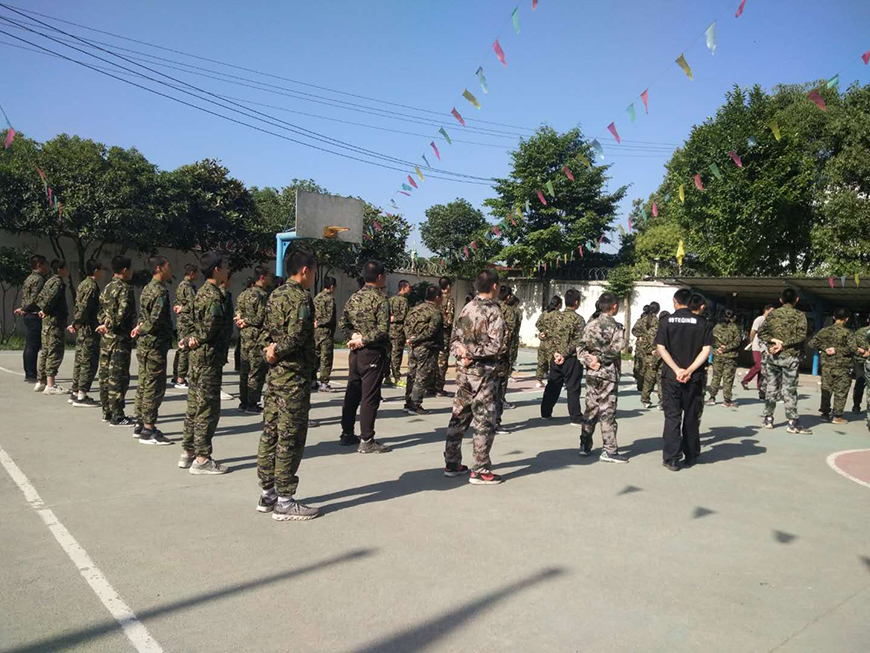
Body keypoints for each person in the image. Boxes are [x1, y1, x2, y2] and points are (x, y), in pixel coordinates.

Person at [256, 249, 320, 521]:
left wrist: (267, 352)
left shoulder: (274, 295)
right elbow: (297, 337)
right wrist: (277, 351)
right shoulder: (301, 298)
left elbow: (262, 333)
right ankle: (284, 499)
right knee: (290, 436)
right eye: (313, 271)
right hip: (293, 377)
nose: (313, 277)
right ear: (304, 270)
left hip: (274, 377)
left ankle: (267, 492)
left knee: (270, 432)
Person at [443, 269, 506, 484]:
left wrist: (462, 354)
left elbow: (453, 341)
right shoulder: (493, 311)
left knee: (459, 415)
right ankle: (479, 469)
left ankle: (451, 462)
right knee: (484, 420)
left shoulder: (466, 307)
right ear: (495, 286)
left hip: (464, 372)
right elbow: (496, 346)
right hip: (483, 375)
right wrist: (472, 354)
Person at [179, 251, 233, 474]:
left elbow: (187, 320)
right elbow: (210, 328)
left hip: (199, 357)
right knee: (207, 408)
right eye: (225, 266)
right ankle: (202, 458)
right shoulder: (212, 296)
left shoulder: (200, 292)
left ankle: (188, 451)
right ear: (217, 269)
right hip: (208, 357)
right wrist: (196, 338)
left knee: (194, 405)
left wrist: (188, 338)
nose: (228, 270)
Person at [655, 290, 714, 471]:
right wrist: (688, 370)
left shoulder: (665, 321)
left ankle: (672, 458)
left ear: (675, 301)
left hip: (671, 377)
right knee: (691, 416)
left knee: (672, 417)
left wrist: (676, 369)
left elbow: (661, 348)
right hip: (693, 378)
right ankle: (691, 455)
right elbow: (706, 350)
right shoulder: (703, 323)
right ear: (690, 302)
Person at [338, 260, 392, 452]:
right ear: (379, 277)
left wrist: (354, 336)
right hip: (372, 353)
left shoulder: (353, 298)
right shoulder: (381, 300)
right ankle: (367, 440)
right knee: (369, 397)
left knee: (352, 392)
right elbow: (383, 330)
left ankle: (346, 433)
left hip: (355, 353)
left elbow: (343, 323)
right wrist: (363, 340)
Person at [578, 292, 627, 463]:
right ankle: (609, 450)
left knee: (591, 408)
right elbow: (616, 349)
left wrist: (588, 361)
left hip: (592, 373)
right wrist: (600, 359)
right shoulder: (617, 328)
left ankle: (584, 445)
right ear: (614, 307)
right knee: (607, 411)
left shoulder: (590, 325)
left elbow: (580, 348)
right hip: (608, 374)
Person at [132, 255, 174, 445]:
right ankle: (149, 429)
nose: (170, 269)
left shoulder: (147, 288)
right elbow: (155, 320)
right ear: (159, 268)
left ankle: (140, 423)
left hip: (145, 344)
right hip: (154, 344)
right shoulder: (160, 291)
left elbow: (143, 316)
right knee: (154, 386)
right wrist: (142, 328)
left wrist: (140, 328)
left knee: (144, 382)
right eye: (168, 266)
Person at [759, 288, 812, 434]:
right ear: (797, 300)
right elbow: (801, 336)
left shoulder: (773, 313)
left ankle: (768, 418)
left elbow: (762, 332)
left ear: (781, 300)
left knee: (771, 386)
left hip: (773, 356)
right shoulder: (800, 315)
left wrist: (774, 341)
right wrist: (785, 344)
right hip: (790, 356)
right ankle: (792, 422)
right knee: (789, 389)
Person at [98, 255, 137, 427]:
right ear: (124, 270)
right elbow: (122, 314)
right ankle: (117, 414)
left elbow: (100, 310)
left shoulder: (108, 287)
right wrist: (110, 324)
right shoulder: (125, 289)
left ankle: (106, 411)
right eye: (130, 268)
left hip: (106, 338)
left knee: (105, 374)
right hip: (119, 338)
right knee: (118, 377)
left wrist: (104, 324)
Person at [540, 288, 586, 422]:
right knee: (573, 387)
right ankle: (575, 416)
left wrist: (555, 354)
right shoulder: (578, 320)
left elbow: (547, 336)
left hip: (555, 357)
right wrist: (564, 354)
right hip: (571, 358)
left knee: (553, 385)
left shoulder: (554, 317)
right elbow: (579, 341)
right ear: (576, 302)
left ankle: (545, 412)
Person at [68, 259, 104, 407]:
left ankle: (75, 391)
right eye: (102, 269)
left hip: (83, 327)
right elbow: (84, 308)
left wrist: (76, 323)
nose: (103, 272)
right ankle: (82, 394)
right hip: (88, 327)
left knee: (80, 359)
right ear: (96, 270)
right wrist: (77, 322)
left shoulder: (84, 284)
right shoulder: (91, 286)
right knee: (89, 361)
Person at [403, 285, 444, 415]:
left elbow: (406, 324)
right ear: (437, 297)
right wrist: (416, 339)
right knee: (422, 376)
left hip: (412, 347)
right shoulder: (435, 312)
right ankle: (415, 404)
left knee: (412, 374)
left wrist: (410, 338)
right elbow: (431, 331)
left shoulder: (415, 309)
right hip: (425, 347)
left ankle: (408, 402)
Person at [808, 308, 854, 424]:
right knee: (841, 391)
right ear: (847, 319)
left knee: (826, 389)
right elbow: (852, 348)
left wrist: (825, 348)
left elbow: (812, 343)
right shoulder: (848, 333)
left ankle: (824, 413)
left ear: (834, 317)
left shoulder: (824, 331)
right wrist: (837, 350)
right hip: (842, 367)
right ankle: (837, 416)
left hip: (827, 366)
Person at [236, 266, 272, 413]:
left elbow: (237, 313)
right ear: (262, 277)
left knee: (245, 370)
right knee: (256, 371)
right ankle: (252, 403)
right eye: (269, 275)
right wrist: (246, 319)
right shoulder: (263, 296)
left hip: (244, 337)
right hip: (257, 337)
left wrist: (242, 320)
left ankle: (243, 402)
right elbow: (260, 318)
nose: (271, 278)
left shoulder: (243, 294)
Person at [34, 259, 70, 394]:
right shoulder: (58, 283)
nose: (67, 270)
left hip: (47, 322)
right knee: (54, 351)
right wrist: (47, 309)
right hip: (55, 322)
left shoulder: (49, 281)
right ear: (60, 270)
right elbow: (50, 299)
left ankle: (41, 381)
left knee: (45, 350)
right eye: (65, 268)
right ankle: (51, 384)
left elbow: (39, 298)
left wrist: (43, 310)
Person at [14, 254, 48, 383]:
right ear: (39, 265)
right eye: (45, 264)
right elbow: (34, 299)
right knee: (33, 345)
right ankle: (31, 374)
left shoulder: (29, 278)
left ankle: (29, 372)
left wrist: (23, 308)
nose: (46, 267)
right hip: (34, 314)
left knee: (30, 345)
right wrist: (25, 308)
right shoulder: (39, 279)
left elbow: (26, 297)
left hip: (29, 314)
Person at [494, 286, 521, 433]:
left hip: (485, 356)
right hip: (501, 356)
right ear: (509, 296)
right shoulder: (510, 311)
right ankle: (495, 423)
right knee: (498, 389)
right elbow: (508, 336)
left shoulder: (490, 308)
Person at [706, 309, 743, 407]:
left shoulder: (716, 327)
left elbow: (711, 339)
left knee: (716, 376)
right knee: (728, 378)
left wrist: (719, 348)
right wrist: (726, 348)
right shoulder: (736, 328)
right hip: (730, 356)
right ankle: (726, 400)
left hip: (718, 354)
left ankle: (712, 397)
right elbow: (738, 342)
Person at [172, 263, 198, 389]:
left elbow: (177, 303)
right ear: (192, 273)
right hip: (187, 322)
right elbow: (192, 305)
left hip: (181, 321)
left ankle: (176, 375)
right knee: (184, 349)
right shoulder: (188, 286)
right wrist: (183, 308)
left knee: (180, 348)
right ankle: (181, 379)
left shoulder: (180, 285)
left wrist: (179, 307)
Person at [742, 304, 774, 398]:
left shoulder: (771, 321)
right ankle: (745, 380)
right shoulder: (759, 319)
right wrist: (751, 341)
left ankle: (760, 386)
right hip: (757, 346)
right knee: (758, 365)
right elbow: (753, 331)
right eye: (771, 310)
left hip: (765, 347)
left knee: (763, 367)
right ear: (766, 310)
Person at [312, 276, 337, 392]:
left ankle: (312, 380)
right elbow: (329, 317)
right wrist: (320, 323)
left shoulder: (317, 297)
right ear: (331, 287)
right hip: (326, 332)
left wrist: (315, 323)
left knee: (315, 357)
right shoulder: (329, 299)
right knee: (326, 358)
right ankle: (324, 383)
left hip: (316, 333)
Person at [385, 279, 411, 388]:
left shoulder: (390, 300)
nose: (410, 289)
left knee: (388, 354)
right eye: (409, 287)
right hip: (398, 331)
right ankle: (397, 378)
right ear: (404, 288)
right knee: (396, 355)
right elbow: (404, 316)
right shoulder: (403, 301)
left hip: (389, 330)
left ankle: (387, 377)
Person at [535, 295, 562, 388]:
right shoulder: (559, 315)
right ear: (558, 304)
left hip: (544, 341)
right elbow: (560, 329)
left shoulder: (545, 313)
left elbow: (537, 324)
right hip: (553, 342)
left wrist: (543, 331)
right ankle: (551, 380)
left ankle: (539, 380)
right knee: (552, 362)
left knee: (541, 361)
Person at [637, 303, 661, 407]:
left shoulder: (642, 320)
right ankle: (662, 401)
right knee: (660, 378)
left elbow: (634, 331)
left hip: (647, 353)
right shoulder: (658, 322)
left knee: (649, 378)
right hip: (658, 352)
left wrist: (642, 338)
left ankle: (645, 399)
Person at [434, 276, 455, 396]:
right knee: (442, 361)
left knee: (433, 359)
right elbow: (449, 320)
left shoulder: (435, 297)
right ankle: (439, 388)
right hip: (444, 335)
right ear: (448, 286)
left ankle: (431, 386)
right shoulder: (448, 299)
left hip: (433, 333)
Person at [852, 321, 870, 432]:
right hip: (864, 359)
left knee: (860, 382)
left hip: (860, 360)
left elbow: (854, 346)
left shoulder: (860, 331)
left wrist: (863, 352)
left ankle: (856, 406)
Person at [631, 304, 651, 391]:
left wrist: (640, 336)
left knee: (640, 364)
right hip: (645, 345)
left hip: (642, 345)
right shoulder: (646, 319)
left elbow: (634, 330)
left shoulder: (643, 319)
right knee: (642, 365)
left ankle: (640, 382)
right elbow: (634, 330)